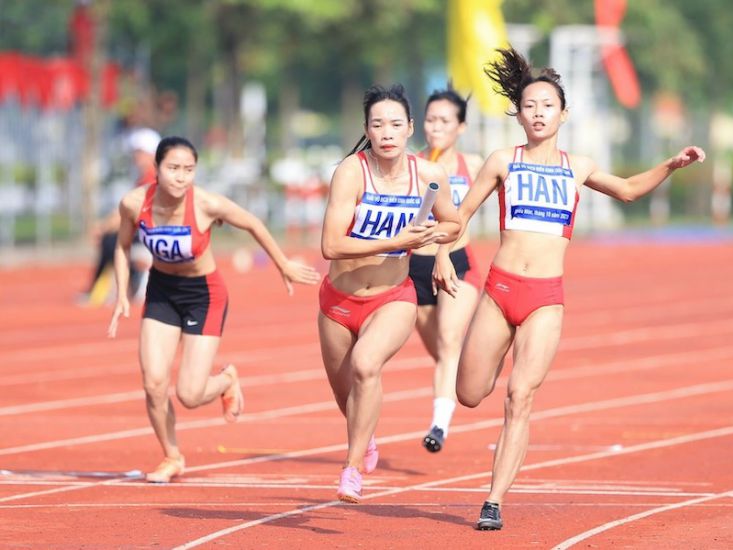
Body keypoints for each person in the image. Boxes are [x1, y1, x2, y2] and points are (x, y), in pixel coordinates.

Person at [433, 47, 706, 531]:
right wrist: (439, 254)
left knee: (521, 398)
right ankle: (492, 355)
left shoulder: (576, 166)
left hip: (544, 300)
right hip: (499, 292)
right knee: (470, 393)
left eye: (547, 106)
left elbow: (626, 190)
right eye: (530, 106)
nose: (538, 113)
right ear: (518, 114)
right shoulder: (502, 161)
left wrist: (670, 165)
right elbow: (460, 218)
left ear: (564, 114)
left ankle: (493, 501)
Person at [107, 136, 320, 483]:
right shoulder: (134, 203)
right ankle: (172, 456)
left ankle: (226, 379)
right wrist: (120, 293)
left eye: (188, 170)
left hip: (203, 294)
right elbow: (122, 244)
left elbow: (252, 222)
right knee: (153, 383)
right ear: (156, 169)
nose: (180, 177)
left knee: (189, 394)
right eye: (173, 168)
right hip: (161, 292)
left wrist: (282, 263)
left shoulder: (206, 204)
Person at [318, 84, 461, 503]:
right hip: (338, 301)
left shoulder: (429, 176)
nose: (387, 132)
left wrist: (434, 236)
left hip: (393, 297)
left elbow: (454, 222)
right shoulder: (351, 172)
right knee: (345, 395)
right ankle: (367, 437)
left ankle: (351, 467)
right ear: (366, 128)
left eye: (396, 124)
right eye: (377, 124)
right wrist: (394, 239)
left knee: (366, 366)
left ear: (410, 128)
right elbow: (331, 245)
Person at [410, 87, 484, 453]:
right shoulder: (413, 165)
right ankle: (457, 384)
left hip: (457, 263)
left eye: (444, 121)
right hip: (414, 268)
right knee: (441, 350)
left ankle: (439, 425)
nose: (436, 127)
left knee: (450, 339)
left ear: (461, 127)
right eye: (430, 120)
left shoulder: (474, 164)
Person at [82, 128, 160, 304]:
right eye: (135, 152)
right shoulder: (143, 178)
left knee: (111, 240)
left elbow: (128, 211)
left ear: (152, 153)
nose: (135, 157)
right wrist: (104, 225)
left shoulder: (153, 179)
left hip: (156, 235)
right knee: (112, 238)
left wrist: (103, 228)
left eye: (140, 152)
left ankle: (128, 283)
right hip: (145, 233)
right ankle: (126, 283)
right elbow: (125, 208)